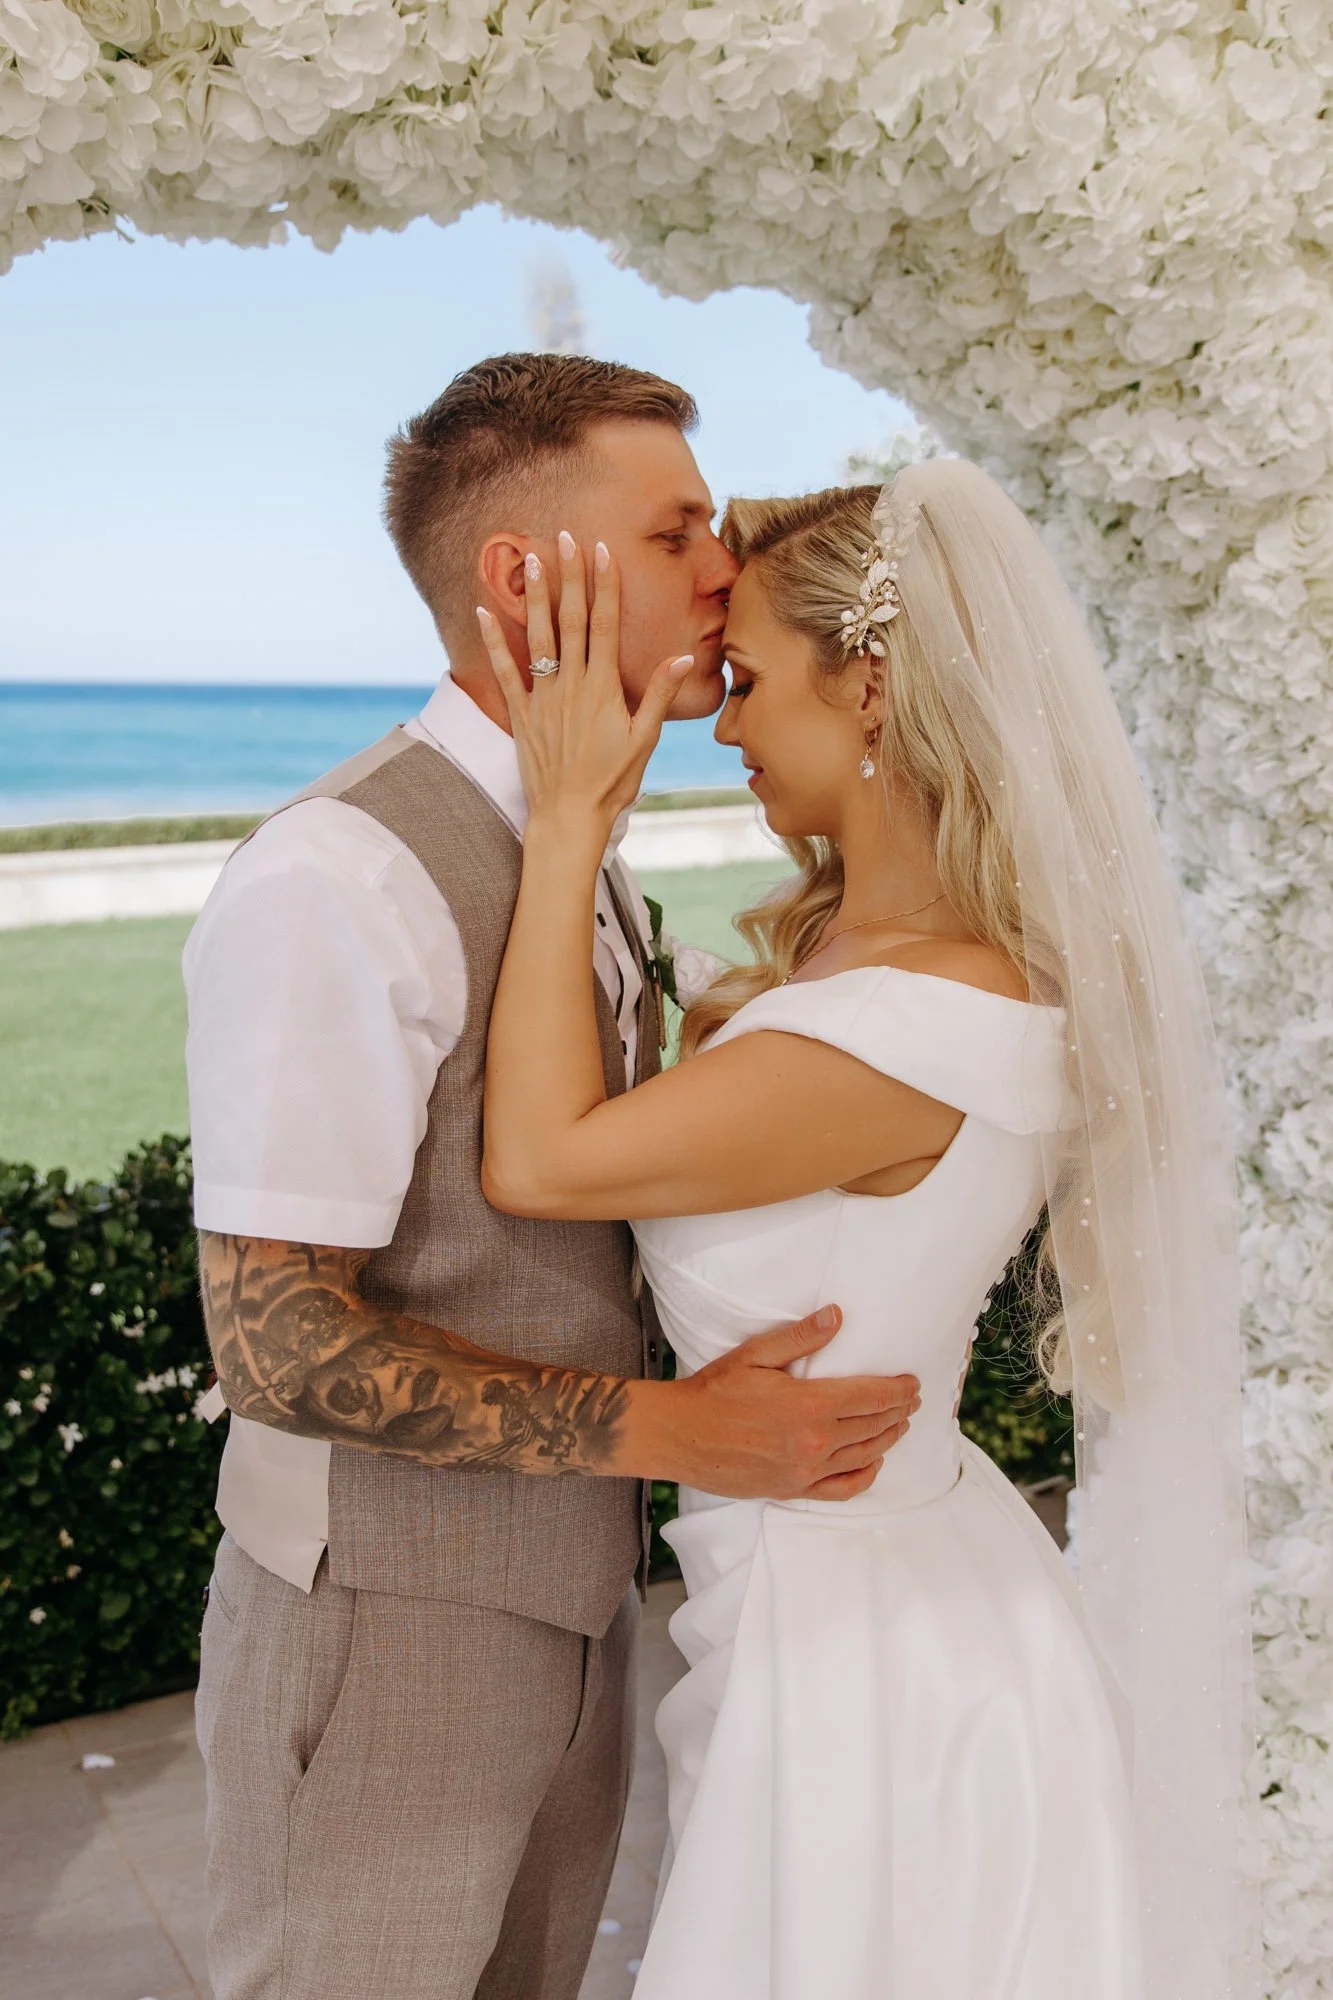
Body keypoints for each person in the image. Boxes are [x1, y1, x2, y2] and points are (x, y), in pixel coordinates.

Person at [185, 352, 921, 2000]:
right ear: (524, 576)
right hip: (385, 1628)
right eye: (676, 536)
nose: (724, 566)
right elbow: (274, 1344)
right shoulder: (340, 873)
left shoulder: (572, 842)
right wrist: (682, 1431)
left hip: (568, 1603)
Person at [477, 460, 1262, 1999]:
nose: (723, 719)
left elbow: (545, 1162)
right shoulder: (878, 959)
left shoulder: (924, 1019)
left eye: (752, 680)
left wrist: (567, 816)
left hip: (871, 1660)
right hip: (856, 1587)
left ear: (878, 691)